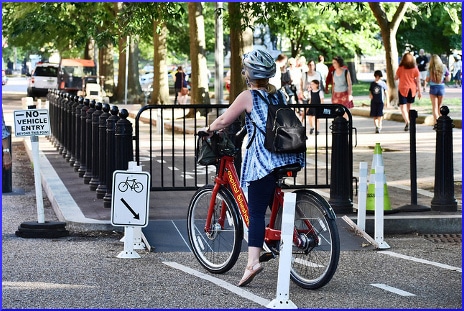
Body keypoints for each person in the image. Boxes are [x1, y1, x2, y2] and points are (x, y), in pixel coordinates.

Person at [200, 49, 305, 287]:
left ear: (249, 74)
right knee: (272, 199)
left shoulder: (248, 96)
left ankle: (252, 262)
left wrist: (209, 128)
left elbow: (225, 119)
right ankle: (275, 240)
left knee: (255, 212)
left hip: (263, 160)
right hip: (285, 155)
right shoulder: (277, 96)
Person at [394, 52, 421, 131]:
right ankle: (409, 122)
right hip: (412, 89)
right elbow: (418, 81)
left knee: (402, 107)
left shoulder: (400, 68)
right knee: (409, 106)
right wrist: (419, 91)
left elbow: (396, 78)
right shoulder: (415, 69)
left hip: (402, 88)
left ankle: (407, 122)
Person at [425, 55, 450, 122]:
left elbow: (427, 79)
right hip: (441, 87)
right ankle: (440, 122)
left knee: (434, 107)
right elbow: (448, 79)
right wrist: (442, 79)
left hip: (433, 88)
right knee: (440, 106)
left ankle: (436, 122)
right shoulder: (444, 67)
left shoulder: (430, 68)